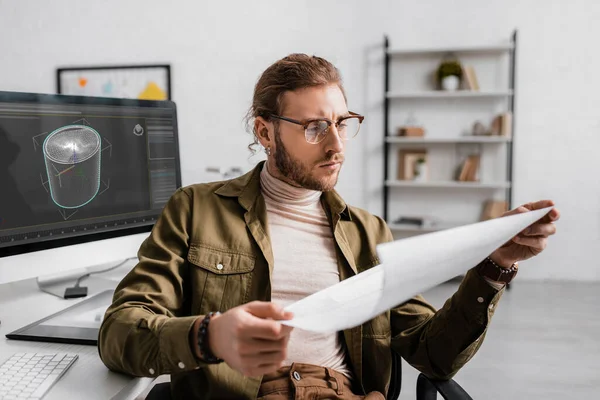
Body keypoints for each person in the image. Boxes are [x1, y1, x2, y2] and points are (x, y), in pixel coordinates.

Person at [98, 54, 560, 400]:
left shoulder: (368, 232)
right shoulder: (196, 209)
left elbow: (433, 354)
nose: (337, 145)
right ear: (265, 133)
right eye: (316, 128)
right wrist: (210, 335)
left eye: (343, 123)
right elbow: (120, 332)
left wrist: (495, 267)